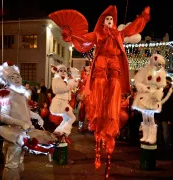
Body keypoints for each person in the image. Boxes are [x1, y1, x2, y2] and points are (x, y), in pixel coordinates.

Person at [49, 5, 150, 178]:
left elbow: (132, 29)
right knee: (100, 84)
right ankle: (98, 132)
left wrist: (142, 18)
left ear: (113, 22)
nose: (109, 22)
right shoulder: (98, 34)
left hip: (114, 67)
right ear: (102, 22)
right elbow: (83, 38)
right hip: (102, 67)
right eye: (106, 20)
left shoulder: (118, 34)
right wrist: (70, 35)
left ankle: (109, 126)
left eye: (111, 20)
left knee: (114, 89)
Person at [0, 61, 56, 180]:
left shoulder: (20, 94)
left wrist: (36, 116)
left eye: (18, 76)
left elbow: (25, 111)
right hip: (13, 135)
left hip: (23, 133)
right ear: (7, 80)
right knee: (12, 164)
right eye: (13, 77)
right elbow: (3, 116)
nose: (17, 79)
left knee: (18, 162)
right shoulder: (5, 95)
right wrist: (22, 123)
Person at [132, 54, 168, 144]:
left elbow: (162, 85)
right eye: (158, 64)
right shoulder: (145, 70)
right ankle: (145, 135)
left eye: (160, 65)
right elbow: (138, 81)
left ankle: (151, 136)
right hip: (145, 95)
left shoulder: (162, 73)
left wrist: (158, 93)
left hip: (153, 97)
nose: (159, 66)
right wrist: (144, 88)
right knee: (144, 117)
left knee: (151, 117)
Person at [49, 65, 78, 136]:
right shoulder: (56, 79)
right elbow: (57, 90)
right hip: (60, 103)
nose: (63, 72)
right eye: (61, 70)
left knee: (66, 119)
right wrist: (69, 86)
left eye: (64, 71)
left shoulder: (64, 80)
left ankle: (58, 132)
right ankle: (64, 132)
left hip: (64, 102)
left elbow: (73, 84)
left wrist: (75, 79)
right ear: (57, 71)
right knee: (73, 118)